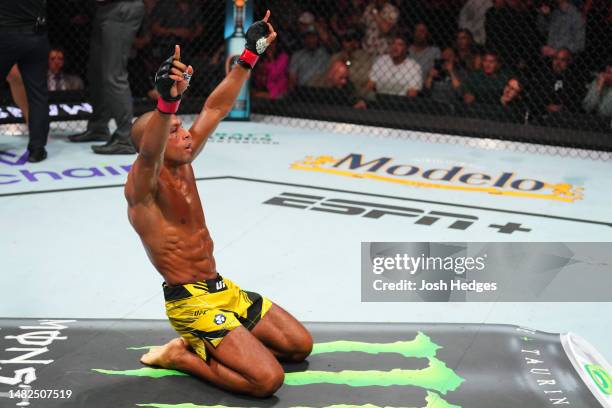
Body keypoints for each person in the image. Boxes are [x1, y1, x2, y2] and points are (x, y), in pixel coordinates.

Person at [126, 12, 312, 397]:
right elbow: (150, 152)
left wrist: (250, 55)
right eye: (175, 131)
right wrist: (166, 105)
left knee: (299, 347)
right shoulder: (143, 187)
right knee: (267, 380)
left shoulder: (185, 160)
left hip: (221, 289)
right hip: (191, 304)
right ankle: (182, 356)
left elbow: (215, 108)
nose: (185, 134)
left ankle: (222, 339)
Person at [68, 0, 145, 155]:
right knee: (96, 72)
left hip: (121, 8)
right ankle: (98, 127)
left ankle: (125, 137)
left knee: (114, 74)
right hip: (104, 8)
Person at [0, 0, 50, 162]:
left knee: (37, 94)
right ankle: (37, 149)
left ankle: (37, 148)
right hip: (35, 35)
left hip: (5, 34)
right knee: (37, 94)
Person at [529, 48, 583, 114]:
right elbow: (534, 98)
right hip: (542, 114)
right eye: (555, 58)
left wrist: (563, 108)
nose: (557, 63)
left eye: (562, 60)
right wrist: (546, 107)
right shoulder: (544, 76)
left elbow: (576, 102)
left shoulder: (574, 80)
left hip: (565, 116)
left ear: (569, 61)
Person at [288, 26, 330, 90]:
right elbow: (292, 78)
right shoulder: (297, 56)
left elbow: (328, 40)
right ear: (304, 39)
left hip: (321, 90)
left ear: (318, 39)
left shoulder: (324, 54)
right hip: (303, 90)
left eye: (313, 37)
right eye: (308, 37)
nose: (311, 40)